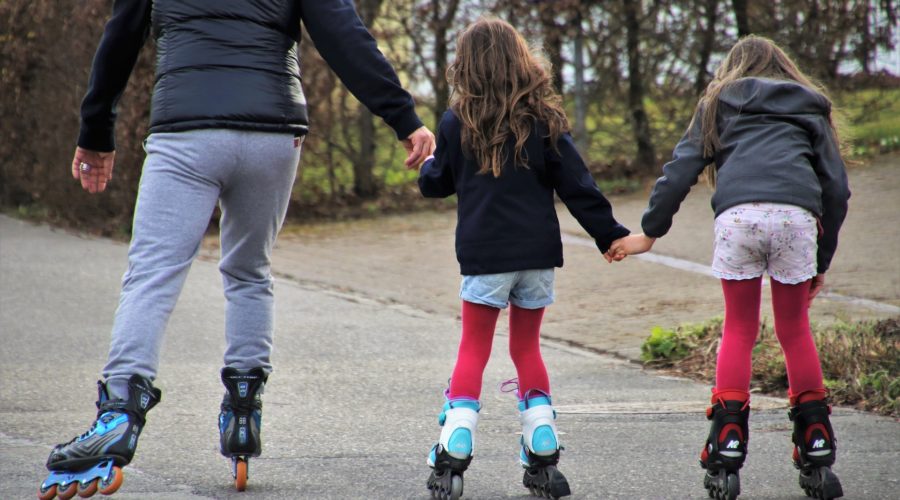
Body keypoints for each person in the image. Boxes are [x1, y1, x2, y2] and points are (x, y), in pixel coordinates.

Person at [39, 1, 435, 498]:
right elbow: (343, 35)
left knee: (153, 272)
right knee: (249, 271)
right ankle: (243, 414)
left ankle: (119, 414)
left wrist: (96, 130)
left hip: (187, 130)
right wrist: (403, 119)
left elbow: (120, 37)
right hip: (274, 131)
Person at [609, 36, 850, 500]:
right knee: (795, 329)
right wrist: (823, 258)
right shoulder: (811, 106)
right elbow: (836, 190)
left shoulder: (718, 101)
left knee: (739, 328)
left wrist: (650, 232)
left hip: (737, 218)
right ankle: (816, 442)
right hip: (797, 220)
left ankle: (727, 443)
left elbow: (679, 170)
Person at [418, 18, 629, 500]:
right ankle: (542, 440)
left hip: (484, 255)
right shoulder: (544, 120)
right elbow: (577, 185)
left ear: (465, 65)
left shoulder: (457, 120)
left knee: (474, 347)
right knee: (526, 348)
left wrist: (429, 163)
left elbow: (438, 183)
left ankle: (455, 442)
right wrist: (609, 235)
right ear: (521, 60)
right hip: (536, 257)